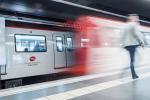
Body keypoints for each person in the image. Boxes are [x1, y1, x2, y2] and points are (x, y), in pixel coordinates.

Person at [121, 14, 145, 79]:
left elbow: (122, 36)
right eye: (136, 18)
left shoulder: (125, 25)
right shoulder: (134, 24)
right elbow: (136, 34)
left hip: (127, 45)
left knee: (134, 59)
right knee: (133, 60)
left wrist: (123, 45)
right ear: (133, 18)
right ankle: (133, 74)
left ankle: (133, 73)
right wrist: (141, 42)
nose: (137, 19)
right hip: (132, 44)